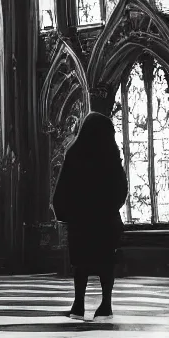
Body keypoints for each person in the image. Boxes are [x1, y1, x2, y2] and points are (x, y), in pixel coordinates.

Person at [52, 111, 128, 322]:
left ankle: (78, 305)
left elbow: (62, 189)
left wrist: (66, 213)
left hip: (81, 220)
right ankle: (106, 305)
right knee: (106, 263)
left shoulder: (74, 153)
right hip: (105, 219)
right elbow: (122, 188)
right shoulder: (111, 154)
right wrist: (110, 207)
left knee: (81, 264)